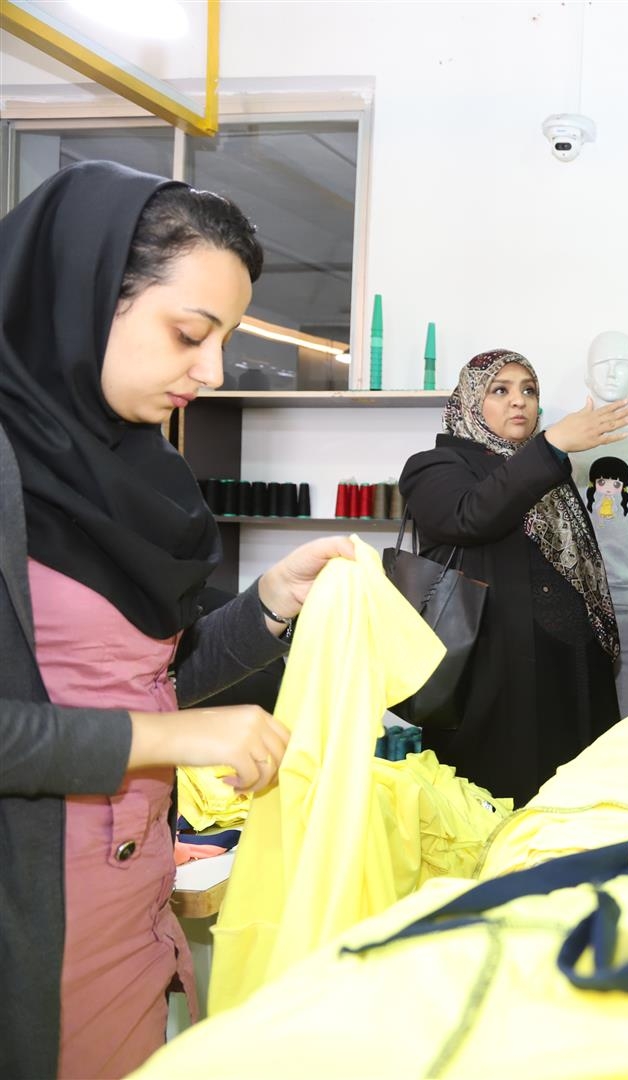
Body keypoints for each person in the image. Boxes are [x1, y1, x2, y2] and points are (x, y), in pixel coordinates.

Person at [0, 160, 354, 1078]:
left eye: (225, 340)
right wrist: (173, 741)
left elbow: (148, 682)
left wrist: (268, 604)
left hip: (131, 897)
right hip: (31, 920)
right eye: (190, 334)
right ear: (83, 295)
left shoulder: (136, 469)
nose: (213, 370)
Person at [399, 350, 628, 804]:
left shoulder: (545, 467)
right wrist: (552, 445)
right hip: (494, 673)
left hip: (570, 665)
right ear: (470, 401)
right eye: (500, 390)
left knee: (574, 802)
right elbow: (471, 515)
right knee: (496, 802)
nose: (519, 401)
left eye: (529, 390)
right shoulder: (435, 465)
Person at [568, 332, 628, 716]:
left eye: (623, 364)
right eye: (602, 364)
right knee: (576, 722)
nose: (611, 372)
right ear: (587, 375)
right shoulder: (558, 446)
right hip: (572, 606)